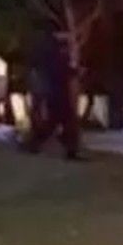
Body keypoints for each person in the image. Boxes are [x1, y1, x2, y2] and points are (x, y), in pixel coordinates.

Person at [25, 30, 81, 160]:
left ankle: (37, 143)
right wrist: (74, 70)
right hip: (58, 94)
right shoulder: (56, 56)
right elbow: (61, 72)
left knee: (57, 123)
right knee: (62, 122)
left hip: (56, 94)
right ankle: (68, 150)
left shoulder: (52, 55)